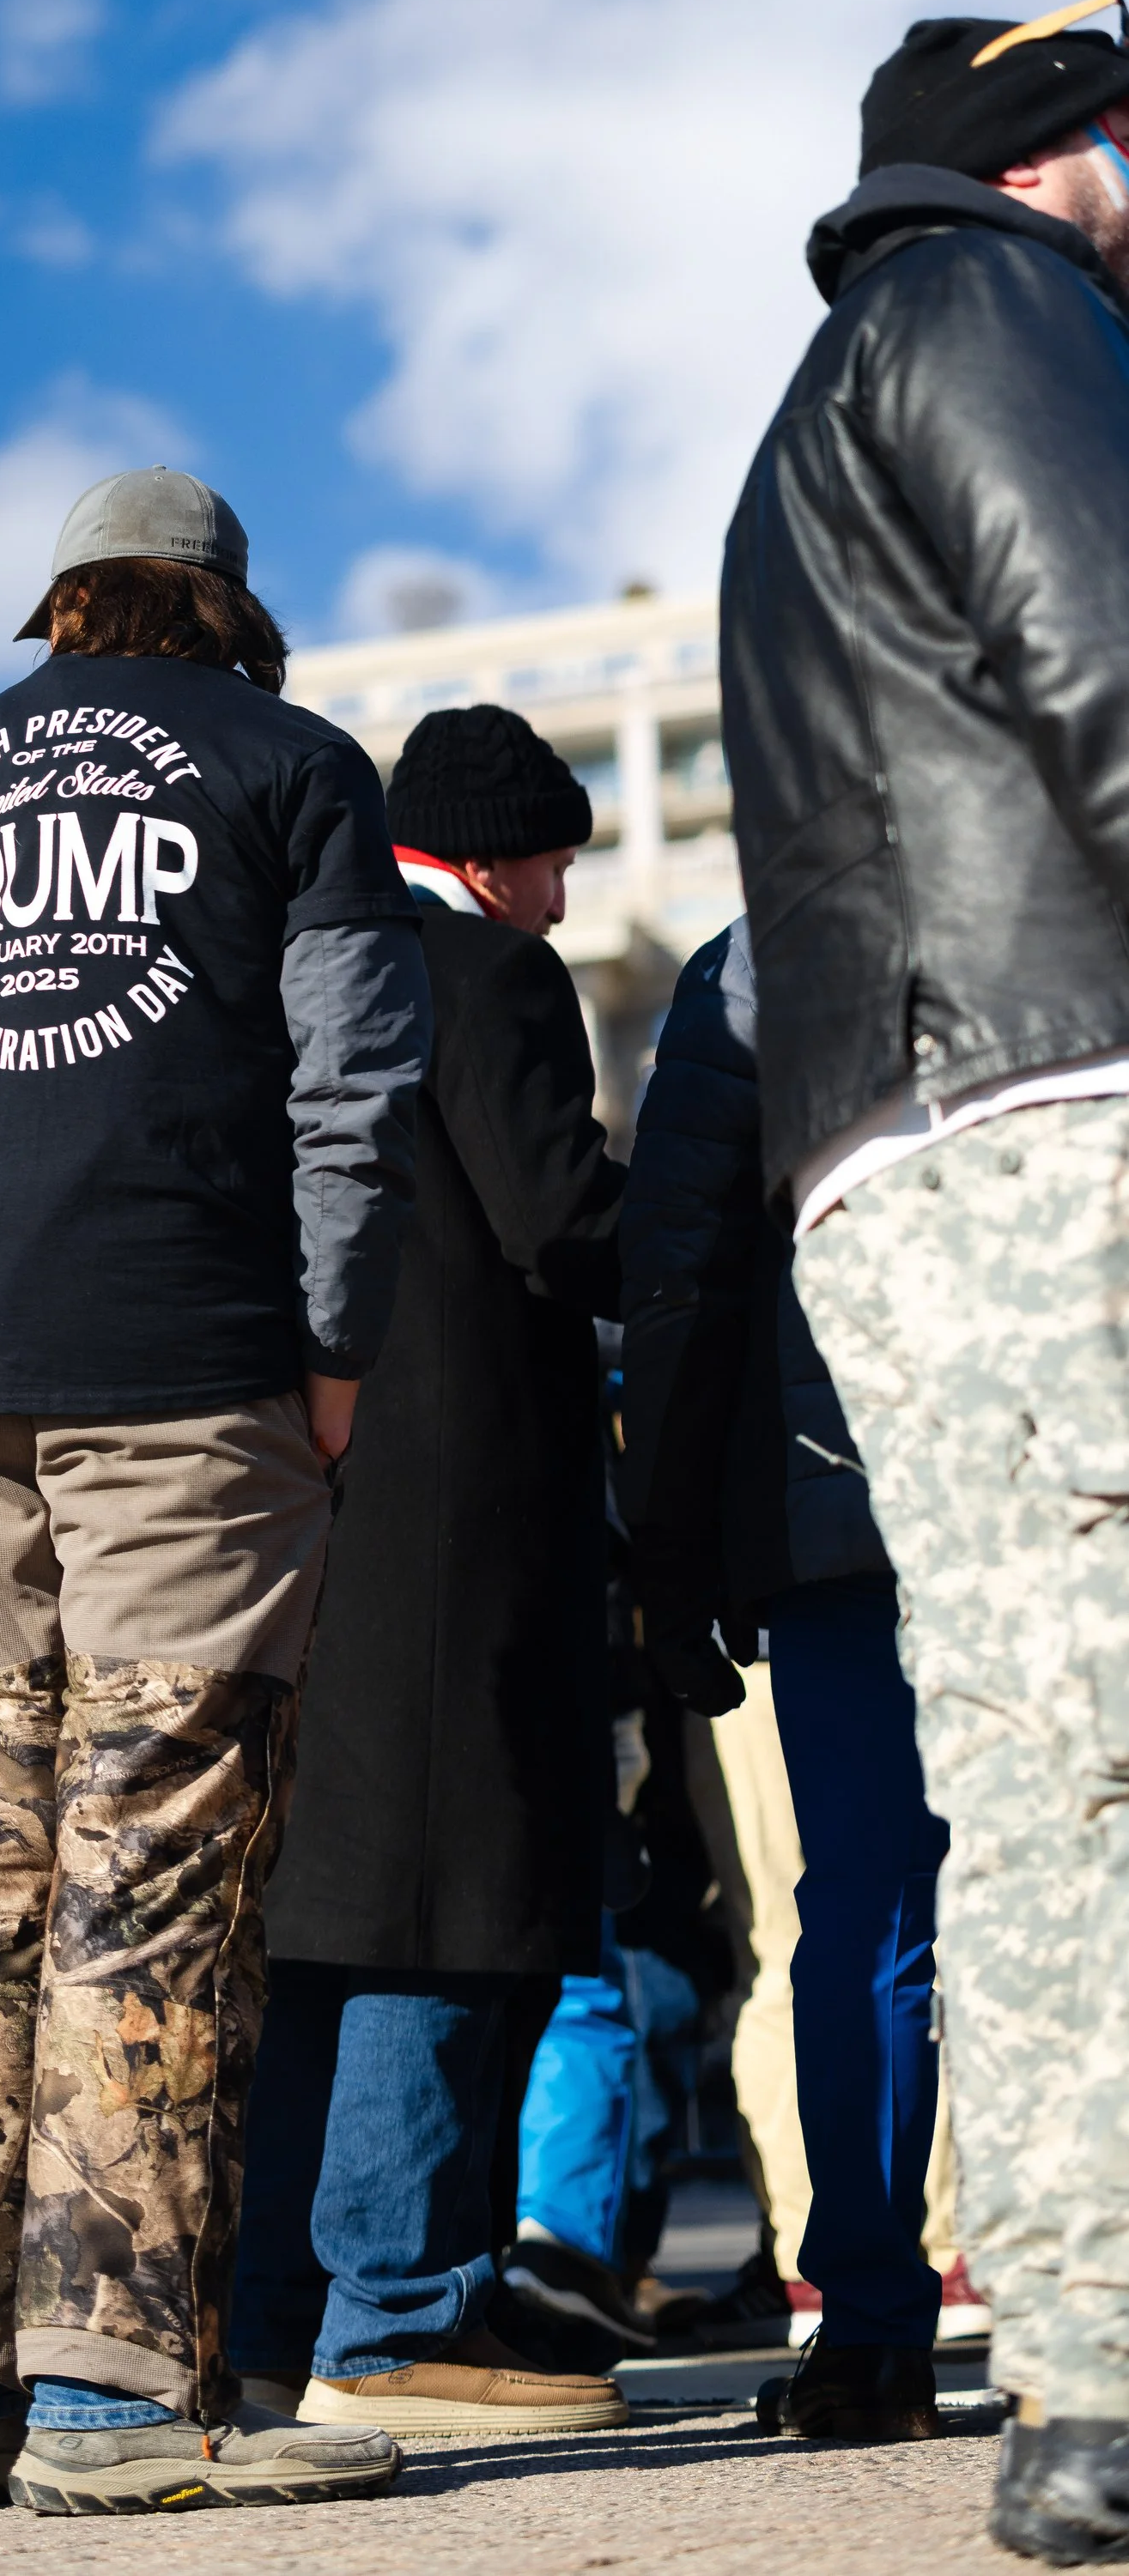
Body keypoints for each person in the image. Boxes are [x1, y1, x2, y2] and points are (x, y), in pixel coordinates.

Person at [0, 465, 428, 2515]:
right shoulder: (295, 765)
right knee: (155, 1849)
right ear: (225, 606)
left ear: (59, 606)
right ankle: (116, 2402)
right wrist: (331, 1353)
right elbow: (355, 1077)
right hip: (193, 1364)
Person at [720, 0, 1129, 2560]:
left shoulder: (798, 422)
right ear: (1051, 142)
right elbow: (1103, 664)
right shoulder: (991, 305)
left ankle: (1084, 2372)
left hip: (890, 1159)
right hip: (1065, 1102)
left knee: (1035, 1767)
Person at [228, 701, 627, 2444]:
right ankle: (398, 2313)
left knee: (317, 1913)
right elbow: (557, 1215)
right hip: (461, 1506)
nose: (552, 895)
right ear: (486, 850)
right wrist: (708, 1225)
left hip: (288, 1496)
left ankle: (273, 2313)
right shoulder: (481, 972)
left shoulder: (285, 980)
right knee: (435, 1897)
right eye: (546, 858)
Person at [619, 917, 953, 2440]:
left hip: (842, 1502)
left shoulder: (759, 958)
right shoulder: (1080, 858)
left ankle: (875, 2327)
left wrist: (673, 1549)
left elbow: (683, 1271)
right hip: (1062, 1475)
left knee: (869, 1915)